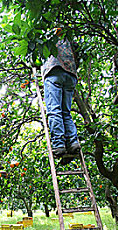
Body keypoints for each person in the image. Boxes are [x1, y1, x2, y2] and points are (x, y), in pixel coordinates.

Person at [41, 29, 81, 165]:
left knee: (54, 110)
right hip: (70, 74)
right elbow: (78, 53)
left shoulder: (44, 35)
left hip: (54, 71)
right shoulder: (68, 36)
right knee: (66, 112)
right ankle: (73, 142)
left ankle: (59, 144)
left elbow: (34, 58)